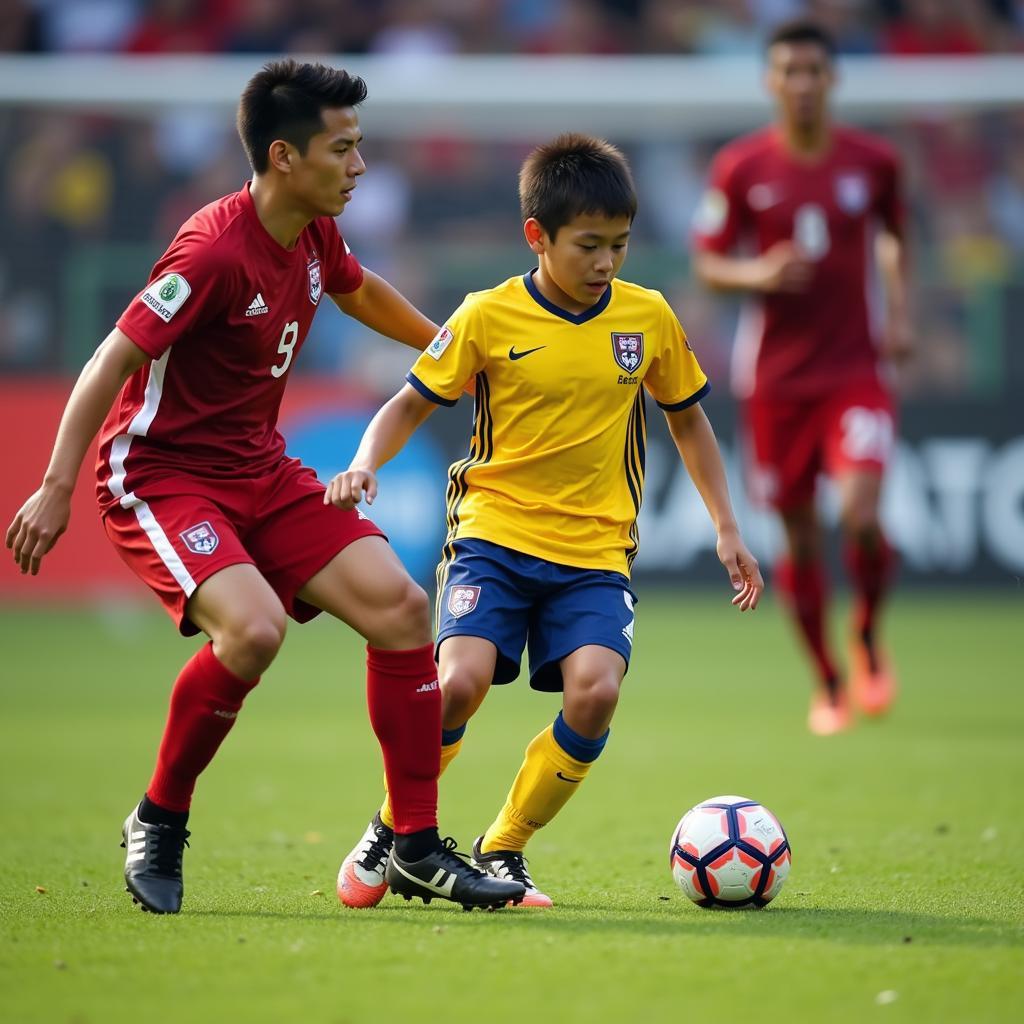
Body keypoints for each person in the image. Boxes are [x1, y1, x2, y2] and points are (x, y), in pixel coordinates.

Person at [4, 60, 524, 915]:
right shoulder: (212, 250)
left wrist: (450, 353)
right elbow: (112, 359)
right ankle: (160, 817)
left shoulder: (314, 232)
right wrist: (56, 484)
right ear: (285, 157)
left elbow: (360, 294)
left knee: (400, 610)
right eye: (344, 150)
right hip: (162, 476)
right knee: (252, 631)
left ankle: (416, 847)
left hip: (259, 467)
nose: (360, 167)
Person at [329, 133, 763, 909]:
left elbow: (690, 422)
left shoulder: (648, 317)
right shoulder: (487, 316)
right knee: (455, 685)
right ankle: (393, 829)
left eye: (620, 245)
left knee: (594, 694)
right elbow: (408, 403)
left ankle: (506, 845)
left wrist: (727, 527)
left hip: (595, 550)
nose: (606, 262)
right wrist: (367, 460)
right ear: (539, 236)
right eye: (588, 245)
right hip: (493, 538)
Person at [691, 20, 913, 736]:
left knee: (862, 515)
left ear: (833, 78)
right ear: (771, 81)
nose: (804, 83)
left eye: (816, 70)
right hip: (777, 381)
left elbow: (893, 240)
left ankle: (869, 636)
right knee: (800, 536)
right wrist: (757, 271)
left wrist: (900, 313)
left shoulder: (874, 162)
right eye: (790, 70)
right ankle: (826, 680)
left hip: (856, 369)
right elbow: (708, 261)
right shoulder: (741, 167)